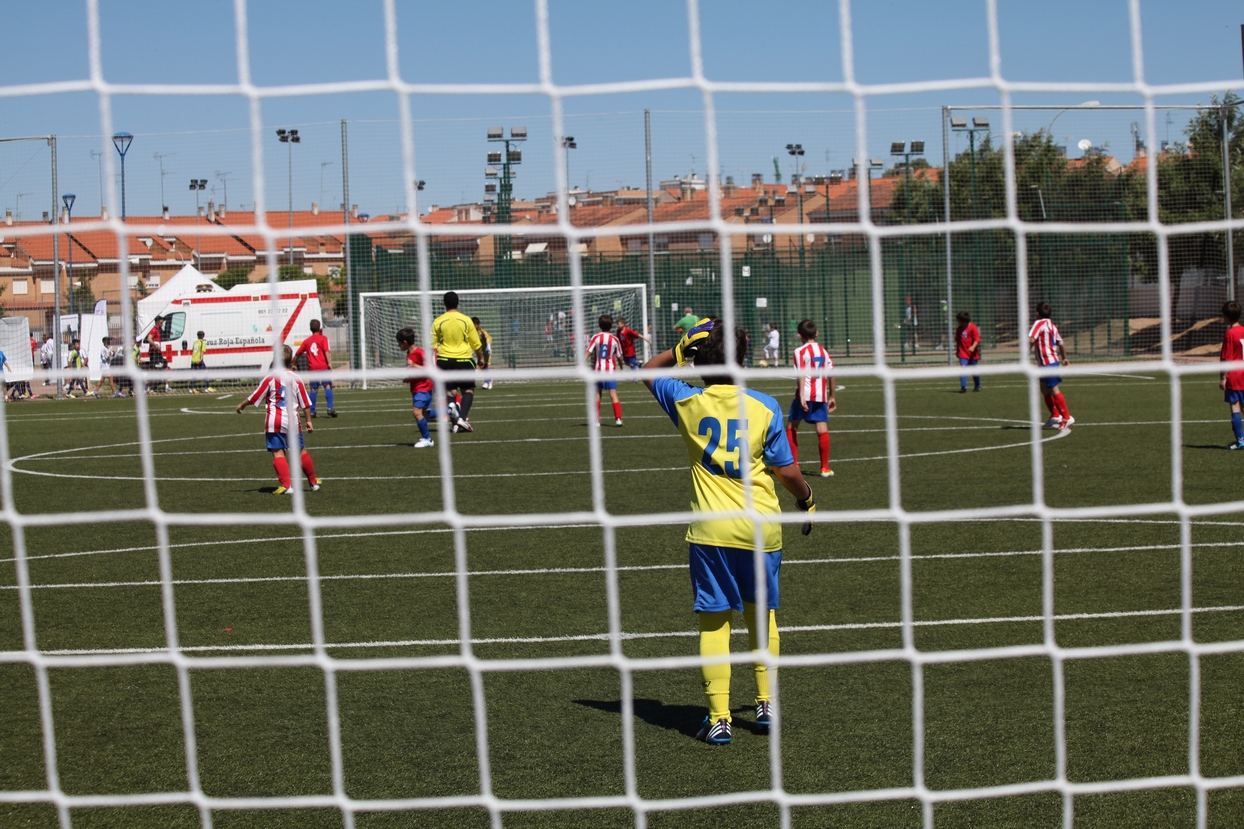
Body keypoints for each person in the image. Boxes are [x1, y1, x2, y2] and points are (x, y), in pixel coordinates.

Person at [642, 317, 816, 746]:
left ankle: (718, 718)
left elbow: (647, 370)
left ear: (699, 361)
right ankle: (766, 704)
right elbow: (788, 472)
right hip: (760, 530)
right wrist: (806, 497)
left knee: (714, 625)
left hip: (710, 533)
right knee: (763, 617)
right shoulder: (764, 406)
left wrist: (682, 347)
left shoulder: (687, 401)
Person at [235, 345, 320, 495]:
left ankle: (287, 486)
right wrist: (308, 421)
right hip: (293, 420)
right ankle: (313, 482)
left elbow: (255, 396)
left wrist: (242, 405)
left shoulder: (270, 378)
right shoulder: (296, 378)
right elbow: (305, 403)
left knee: (278, 452)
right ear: (291, 360)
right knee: (301, 451)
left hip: (274, 420)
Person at [787, 320, 836, 478]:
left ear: (799, 335)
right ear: (817, 333)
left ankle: (793, 464)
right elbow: (831, 373)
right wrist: (832, 396)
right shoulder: (823, 351)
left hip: (804, 394)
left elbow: (801, 373)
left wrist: (801, 395)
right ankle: (825, 468)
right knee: (822, 429)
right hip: (820, 395)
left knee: (791, 427)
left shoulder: (799, 351)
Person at [433, 291, 482, 433]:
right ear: (458, 302)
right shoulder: (466, 320)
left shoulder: (438, 321)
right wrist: (481, 358)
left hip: (444, 361)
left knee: (450, 393)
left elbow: (432, 345)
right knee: (467, 390)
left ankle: (454, 425)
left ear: (444, 304)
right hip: (464, 360)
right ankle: (462, 418)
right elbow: (476, 344)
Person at [1029, 302, 1074, 429]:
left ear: (1037, 313)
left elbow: (1032, 339)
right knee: (1044, 388)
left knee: (1054, 389)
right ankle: (1055, 415)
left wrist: (1026, 354)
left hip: (1048, 362)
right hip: (1047, 362)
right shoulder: (1053, 326)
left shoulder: (1038, 323)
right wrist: (1064, 357)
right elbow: (1061, 342)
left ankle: (1067, 417)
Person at [396, 327, 435, 448]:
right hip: (417, 387)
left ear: (405, 342)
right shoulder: (409, 353)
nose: (399, 346)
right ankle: (449, 411)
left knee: (417, 413)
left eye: (399, 343)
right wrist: (409, 378)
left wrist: (415, 365)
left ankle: (427, 439)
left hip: (423, 387)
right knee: (423, 414)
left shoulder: (420, 352)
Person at [587, 314, 624, 426]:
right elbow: (619, 356)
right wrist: (621, 367)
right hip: (610, 371)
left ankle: (596, 420)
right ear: (612, 325)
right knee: (613, 394)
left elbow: (589, 351)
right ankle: (618, 419)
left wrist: (581, 362)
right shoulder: (614, 339)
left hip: (598, 371)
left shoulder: (595, 337)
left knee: (597, 394)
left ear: (599, 325)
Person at [295, 319, 335, 417]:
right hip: (323, 366)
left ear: (310, 329)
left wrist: (292, 362)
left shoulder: (307, 341)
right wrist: (329, 362)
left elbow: (297, 353)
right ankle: (330, 408)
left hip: (313, 368)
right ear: (320, 328)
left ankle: (312, 411)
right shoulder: (324, 339)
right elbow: (326, 351)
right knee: (327, 386)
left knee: (313, 389)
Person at [1219, 300, 1244, 450]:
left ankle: (1241, 441)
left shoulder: (1229, 334)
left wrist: (1223, 378)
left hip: (1234, 377)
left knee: (1235, 408)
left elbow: (1227, 358)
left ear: (1227, 317)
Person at [955, 311, 982, 393]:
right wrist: (957, 350)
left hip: (972, 354)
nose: (958, 322)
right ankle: (963, 387)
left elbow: (977, 339)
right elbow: (958, 340)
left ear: (964, 321)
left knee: (974, 370)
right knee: (963, 368)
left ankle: (977, 385)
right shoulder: (959, 329)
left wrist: (973, 347)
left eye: (959, 321)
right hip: (963, 353)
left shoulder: (973, 327)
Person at [472, 316, 494, 390]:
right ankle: (489, 379)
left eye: (474, 324)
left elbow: (489, 338)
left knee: (484, 364)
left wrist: (488, 346)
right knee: (481, 365)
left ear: (478, 324)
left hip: (486, 350)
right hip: (479, 351)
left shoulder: (482, 331)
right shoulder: (472, 332)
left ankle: (488, 381)